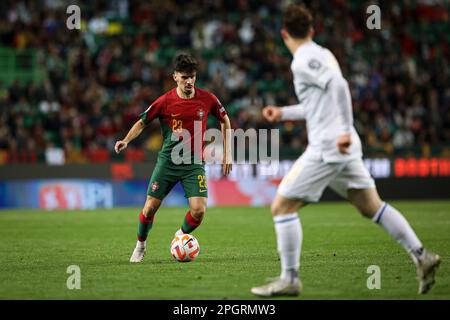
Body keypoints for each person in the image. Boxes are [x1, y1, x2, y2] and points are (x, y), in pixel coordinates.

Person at [251, 4, 440, 297]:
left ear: (283, 34)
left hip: (329, 146)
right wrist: (284, 113)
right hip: (342, 146)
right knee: (371, 206)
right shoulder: (323, 54)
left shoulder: (303, 59)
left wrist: (342, 130)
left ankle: (290, 279)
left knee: (282, 207)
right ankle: (422, 256)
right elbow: (318, 104)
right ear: (311, 30)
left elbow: (339, 86)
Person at [115, 54, 232, 263]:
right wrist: (126, 140)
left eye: (193, 77)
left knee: (198, 211)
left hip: (193, 164)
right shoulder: (165, 101)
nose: (189, 81)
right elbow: (142, 122)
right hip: (168, 162)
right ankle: (140, 245)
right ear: (175, 77)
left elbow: (225, 119)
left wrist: (228, 152)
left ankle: (180, 235)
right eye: (185, 77)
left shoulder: (207, 99)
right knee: (150, 207)